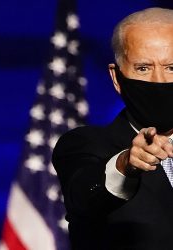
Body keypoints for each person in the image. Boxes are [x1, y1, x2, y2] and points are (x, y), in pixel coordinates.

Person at [52, 7, 173, 250]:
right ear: (116, 78)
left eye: (172, 68)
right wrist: (126, 164)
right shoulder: (84, 145)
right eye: (143, 68)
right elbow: (83, 196)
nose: (159, 81)